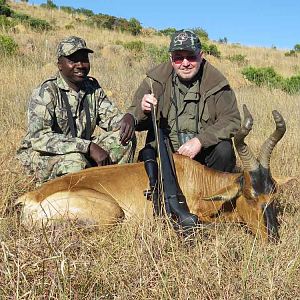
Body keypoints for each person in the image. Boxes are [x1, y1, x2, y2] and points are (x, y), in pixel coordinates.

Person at [17, 36, 136, 183]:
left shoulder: (92, 89)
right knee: (75, 162)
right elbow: (39, 138)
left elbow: (113, 120)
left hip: (80, 151)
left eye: (84, 59)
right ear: (60, 64)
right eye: (73, 60)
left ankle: (112, 186)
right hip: (44, 156)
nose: (80, 65)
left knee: (125, 138)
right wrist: (88, 146)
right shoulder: (47, 91)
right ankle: (68, 198)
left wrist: (129, 118)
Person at [128, 29, 241, 172]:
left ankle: (215, 192)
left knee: (224, 150)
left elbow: (232, 120)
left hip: (203, 156)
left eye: (191, 57)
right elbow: (135, 117)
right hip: (165, 153)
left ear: (201, 56)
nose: (185, 63)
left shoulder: (217, 83)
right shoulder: (154, 81)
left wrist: (200, 141)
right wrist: (142, 110)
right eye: (178, 58)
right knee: (147, 157)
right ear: (171, 59)